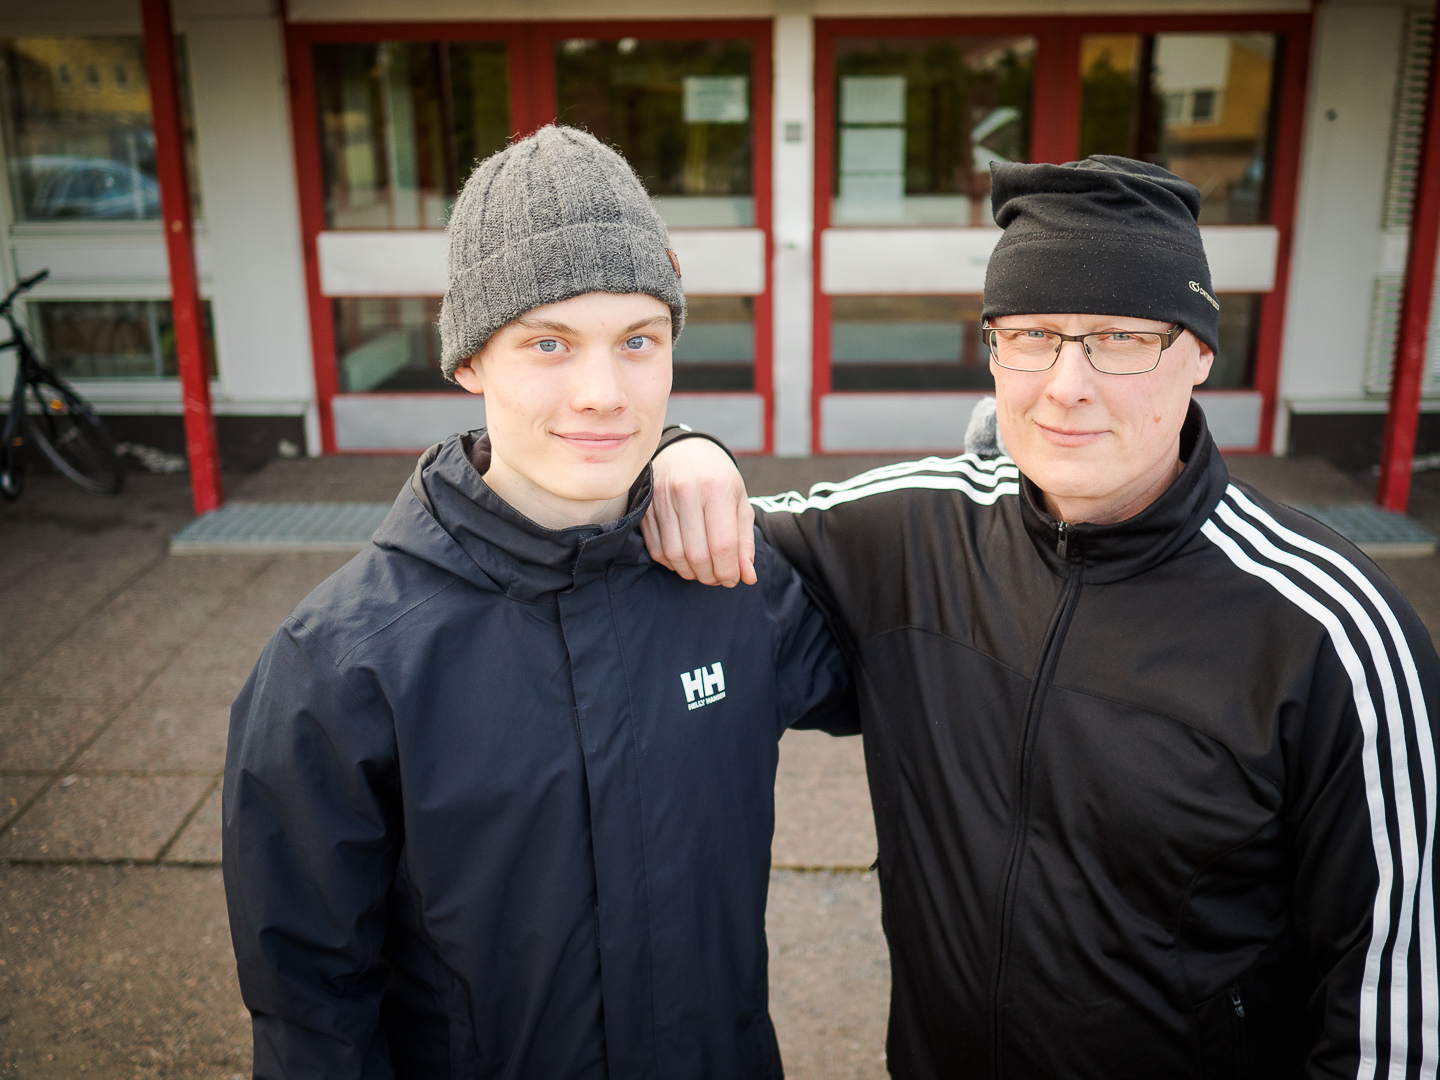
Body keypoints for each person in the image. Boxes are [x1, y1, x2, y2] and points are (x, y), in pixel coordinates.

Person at [644, 156, 1440, 1078]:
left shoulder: (1330, 630)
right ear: (994, 350)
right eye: (1031, 335)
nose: (1066, 384)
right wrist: (681, 449)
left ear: (1199, 354)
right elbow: (715, 537)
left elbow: (1399, 1016)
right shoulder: (912, 533)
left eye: (1120, 338)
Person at [222, 126, 853, 1079]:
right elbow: (311, 1010)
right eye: (548, 343)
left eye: (638, 341)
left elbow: (949, 646)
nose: (603, 392)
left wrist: (1034, 467)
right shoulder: (342, 663)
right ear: (469, 361)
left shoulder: (735, 582)